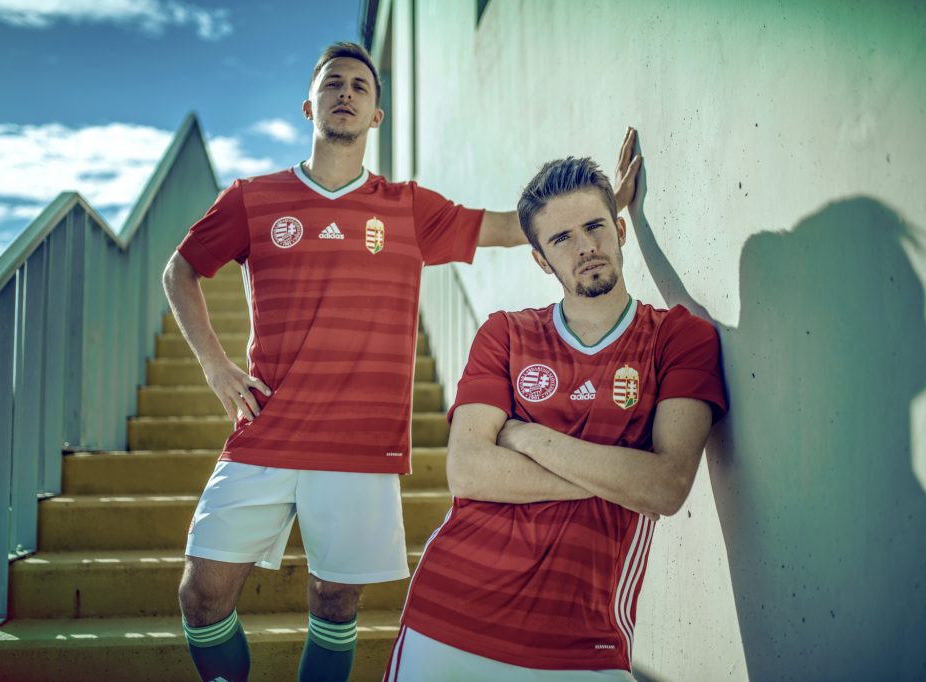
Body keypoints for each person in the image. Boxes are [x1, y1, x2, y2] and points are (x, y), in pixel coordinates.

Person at [164, 41, 640, 682]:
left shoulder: (407, 208)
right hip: (266, 431)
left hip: (360, 444)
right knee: (200, 596)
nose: (346, 93)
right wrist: (216, 366)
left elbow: (511, 227)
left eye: (360, 86)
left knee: (335, 602)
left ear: (376, 116)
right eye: (333, 83)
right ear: (309, 105)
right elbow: (181, 270)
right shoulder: (253, 198)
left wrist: (604, 211)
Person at [385, 146, 727, 681]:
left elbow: (665, 486)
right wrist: (617, 475)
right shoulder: (505, 333)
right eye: (561, 238)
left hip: (583, 643)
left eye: (594, 226)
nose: (585, 247)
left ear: (620, 229)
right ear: (541, 260)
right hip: (448, 618)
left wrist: (527, 438)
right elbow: (468, 471)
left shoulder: (680, 338)